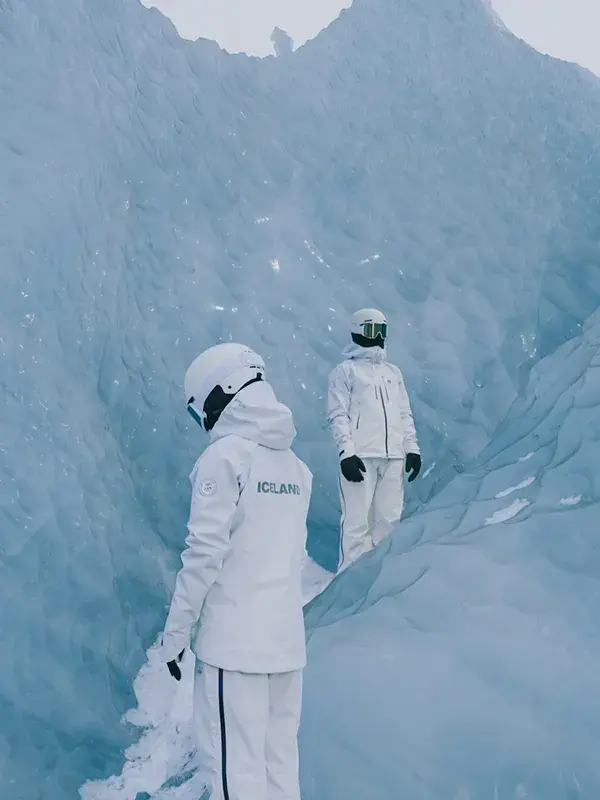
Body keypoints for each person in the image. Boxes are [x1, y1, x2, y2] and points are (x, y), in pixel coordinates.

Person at [160, 342, 313, 800]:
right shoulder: (296, 467)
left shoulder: (225, 457)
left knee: (235, 774)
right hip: (286, 646)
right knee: (280, 769)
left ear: (219, 394)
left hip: (235, 648)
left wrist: (175, 634)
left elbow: (203, 553)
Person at [327, 308, 422, 571]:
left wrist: (411, 448)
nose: (378, 337)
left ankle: (379, 581)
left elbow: (404, 413)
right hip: (360, 456)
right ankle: (348, 581)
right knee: (356, 523)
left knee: (389, 522)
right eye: (372, 330)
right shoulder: (345, 372)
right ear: (358, 331)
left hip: (393, 457)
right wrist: (346, 452)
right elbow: (338, 414)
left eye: (382, 330)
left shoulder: (393, 372)